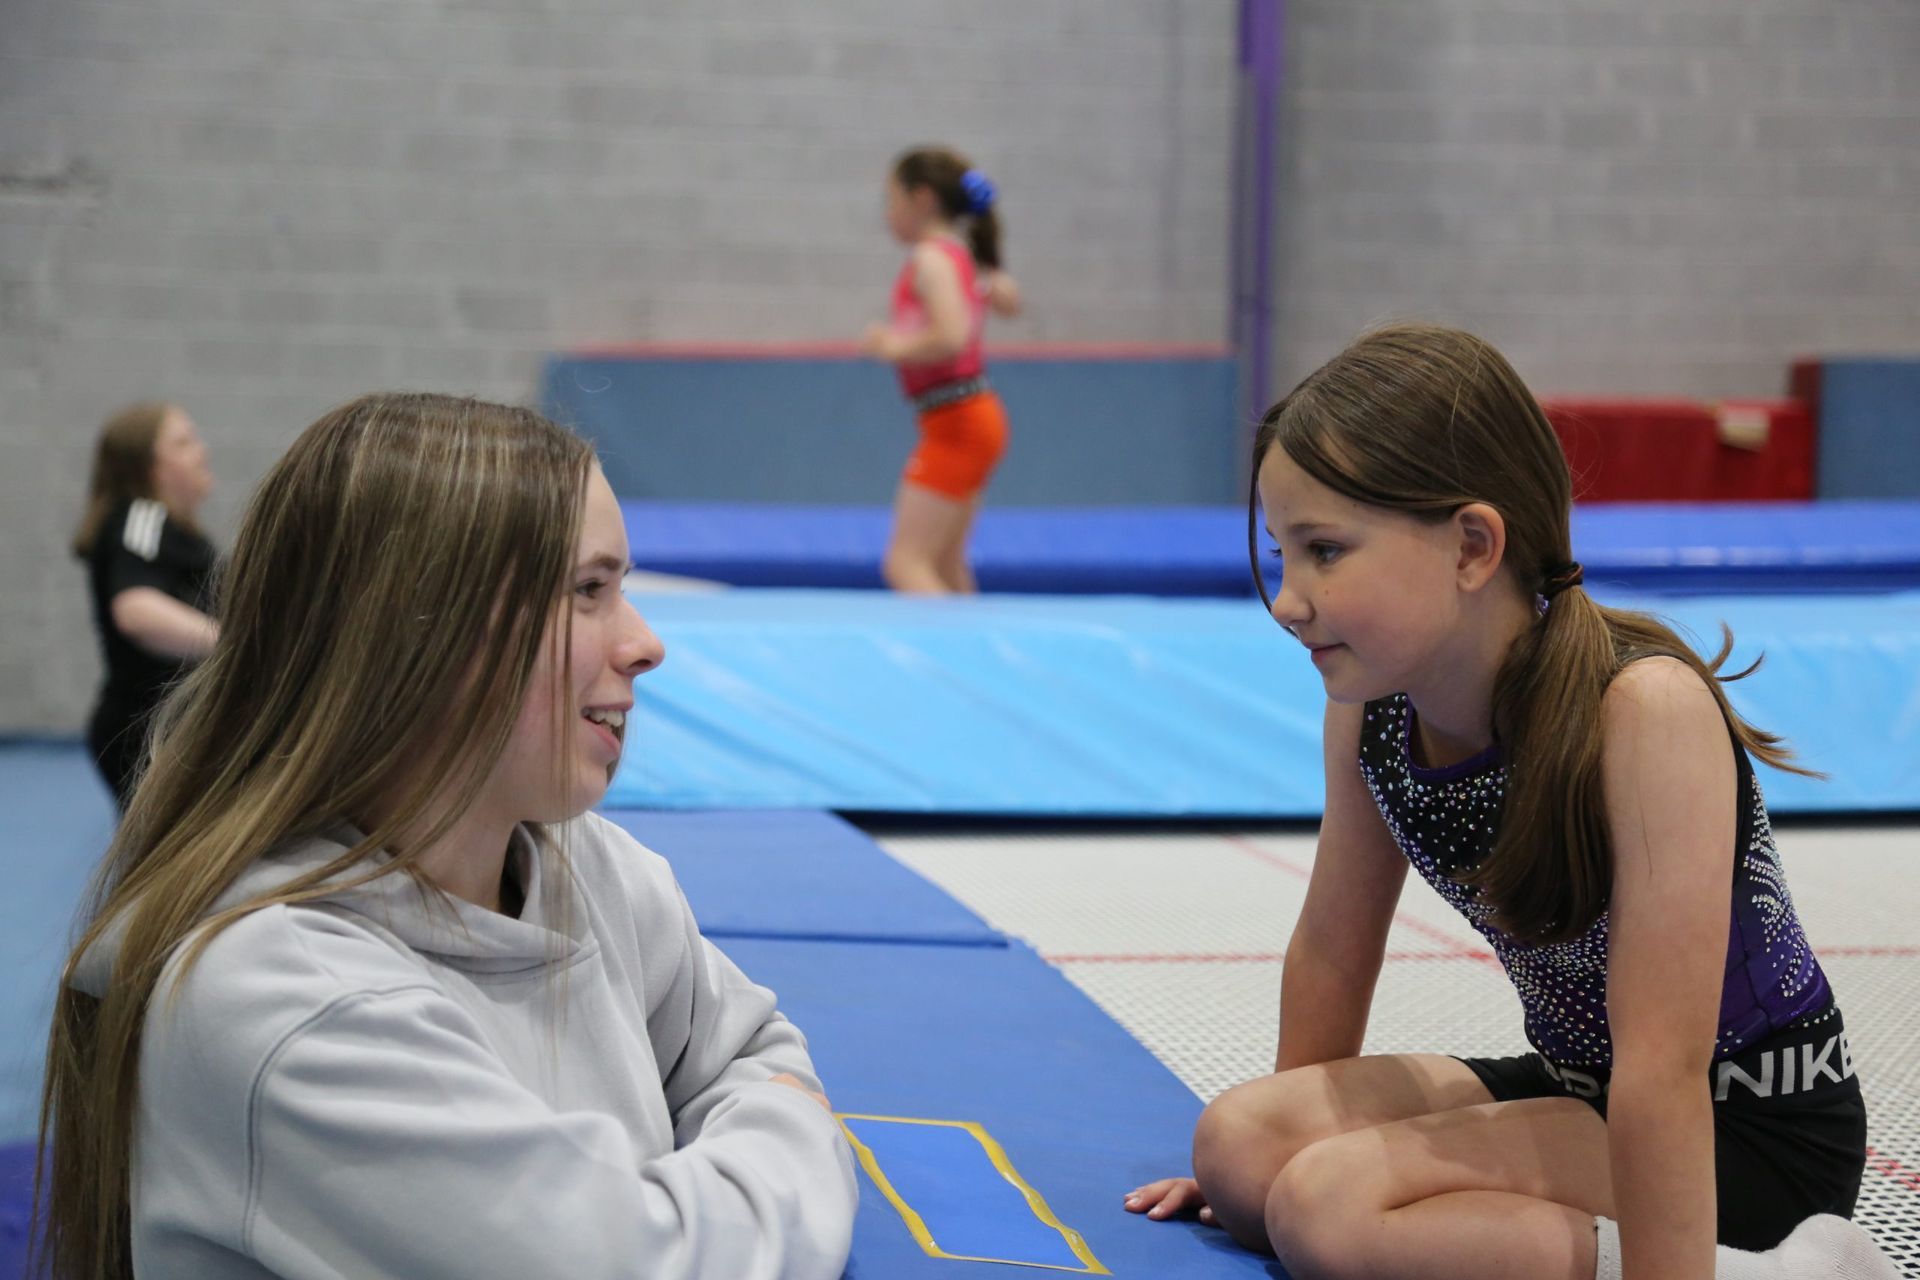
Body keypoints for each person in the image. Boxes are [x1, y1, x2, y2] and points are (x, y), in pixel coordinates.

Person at [1124, 324, 1895, 1279]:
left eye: (1324, 551)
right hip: (1583, 1090)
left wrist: (1310, 1194)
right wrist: (1282, 1169)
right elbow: (1332, 946)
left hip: (1741, 1130)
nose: (1288, 599)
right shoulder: (1374, 713)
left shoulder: (1641, 710)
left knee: (1329, 1212)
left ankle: (1783, 1271)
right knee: (1241, 1146)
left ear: (1472, 547)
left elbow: (1662, 1069)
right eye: (1282, 554)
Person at [36, 393, 857, 1280]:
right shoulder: (292, 1003)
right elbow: (652, 1260)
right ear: (417, 638)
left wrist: (739, 1133)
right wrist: (789, 1129)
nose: (646, 643)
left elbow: (748, 1048)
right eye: (589, 591)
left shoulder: (598, 871)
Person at [861, 144, 1022, 594]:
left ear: (922, 200)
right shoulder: (959, 254)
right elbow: (1004, 300)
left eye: (891, 200)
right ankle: (974, 654)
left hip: (959, 422)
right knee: (947, 564)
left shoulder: (932, 258)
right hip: (968, 417)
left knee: (905, 563)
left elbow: (952, 337)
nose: (887, 213)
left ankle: (951, 656)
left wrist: (892, 345)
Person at [72, 402, 218, 808]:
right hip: (146, 732)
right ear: (149, 467)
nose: (201, 451)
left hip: (171, 729)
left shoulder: (170, 529)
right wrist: (235, 645)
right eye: (184, 443)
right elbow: (136, 610)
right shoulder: (143, 518)